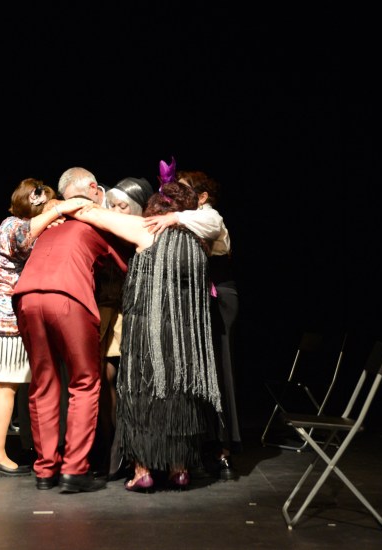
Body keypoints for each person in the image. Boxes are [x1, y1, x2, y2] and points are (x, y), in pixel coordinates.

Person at [69, 158, 222, 492]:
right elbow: (215, 223)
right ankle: (179, 469)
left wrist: (64, 204)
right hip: (183, 337)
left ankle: (143, 471)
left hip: (147, 334)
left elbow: (89, 213)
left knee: (141, 394)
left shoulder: (145, 229)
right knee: (179, 395)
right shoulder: (203, 243)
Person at [12, 166, 130, 493]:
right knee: (85, 382)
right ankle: (74, 471)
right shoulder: (94, 219)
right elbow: (126, 263)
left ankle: (45, 471)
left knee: (44, 383)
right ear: (93, 190)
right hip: (67, 297)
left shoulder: (51, 221)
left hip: (26, 297)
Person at [143, 167, 241, 480]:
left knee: (217, 369)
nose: (177, 199)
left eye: (185, 192)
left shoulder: (209, 216)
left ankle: (223, 448)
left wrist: (174, 218)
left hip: (217, 298)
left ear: (201, 197)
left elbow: (212, 228)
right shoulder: (181, 218)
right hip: (188, 300)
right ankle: (192, 447)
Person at [0, 178, 70, 476]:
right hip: (5, 319)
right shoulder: (20, 228)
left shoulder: (7, 223)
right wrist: (60, 211)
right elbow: (34, 234)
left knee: (1, 384)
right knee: (7, 386)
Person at [89, 176, 154, 479]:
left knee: (129, 380)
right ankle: (107, 448)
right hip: (105, 309)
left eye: (122, 205)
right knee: (102, 377)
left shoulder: (143, 231)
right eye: (112, 204)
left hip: (132, 313)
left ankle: (130, 451)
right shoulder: (108, 227)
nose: (115, 209)